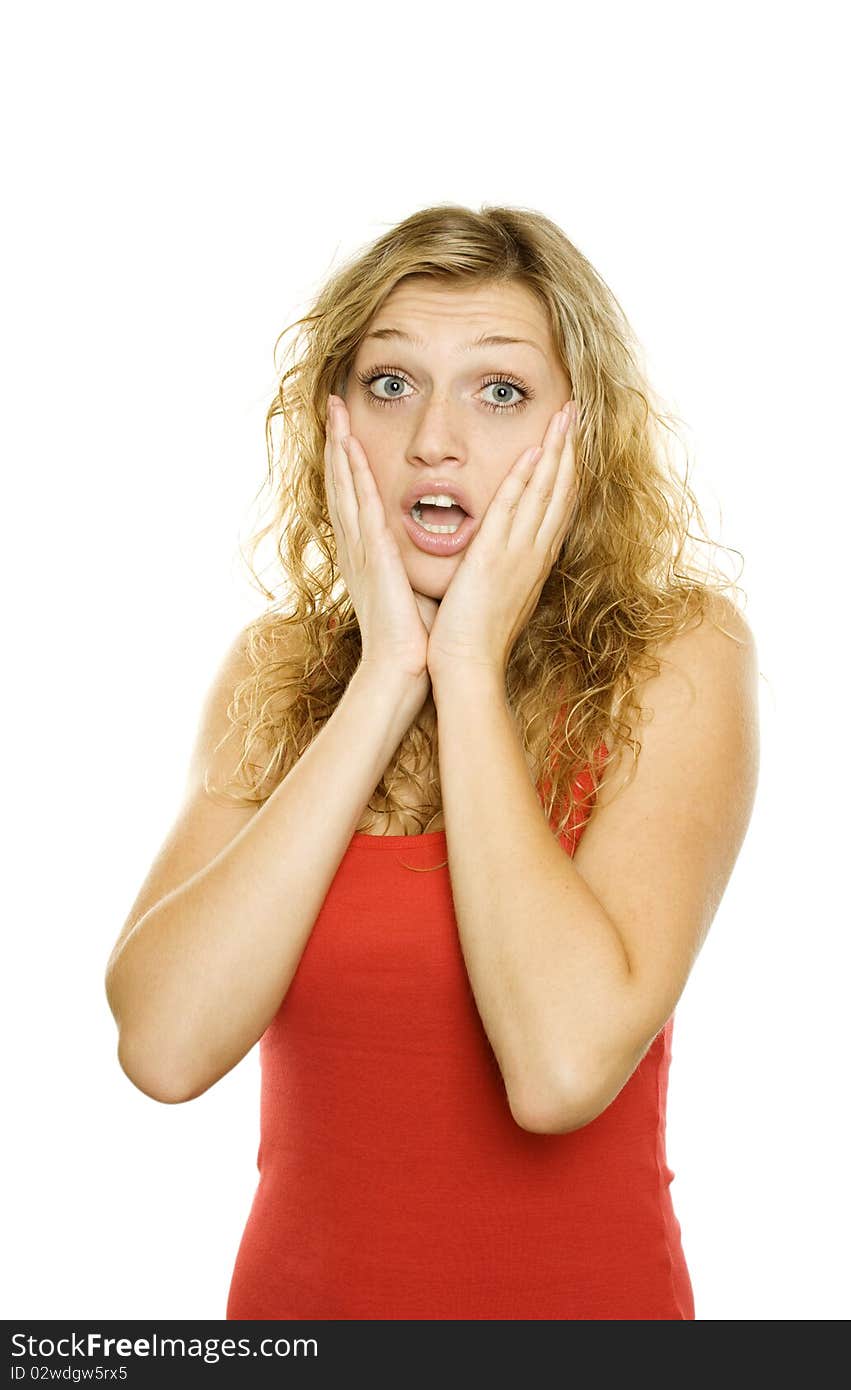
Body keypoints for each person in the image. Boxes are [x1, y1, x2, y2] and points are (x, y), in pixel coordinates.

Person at [104, 203, 760, 1320]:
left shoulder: (679, 656)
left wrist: (466, 670)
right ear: (334, 421)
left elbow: (559, 1071)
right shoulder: (275, 671)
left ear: (582, 430)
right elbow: (163, 1047)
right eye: (390, 383)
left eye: (498, 390)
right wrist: (382, 678)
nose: (432, 441)